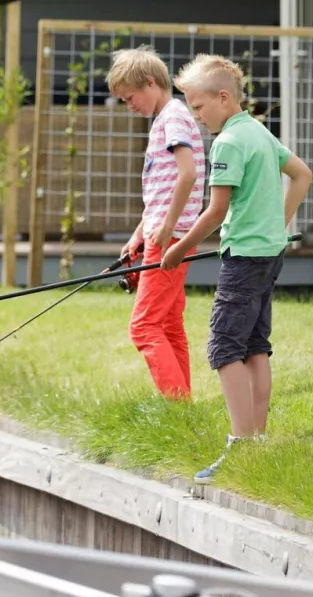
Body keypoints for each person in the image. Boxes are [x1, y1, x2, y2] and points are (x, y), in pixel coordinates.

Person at [158, 53, 313, 485]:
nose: (196, 115)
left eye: (198, 106)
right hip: (270, 253)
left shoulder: (227, 142)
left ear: (223, 98)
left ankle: (241, 444)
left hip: (243, 258)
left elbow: (215, 211)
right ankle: (257, 444)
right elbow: (302, 175)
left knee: (225, 347)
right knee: (255, 345)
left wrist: (179, 250)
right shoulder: (260, 133)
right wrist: (277, 226)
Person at [108, 46, 204, 400]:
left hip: (171, 237)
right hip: (164, 233)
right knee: (168, 324)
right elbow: (159, 193)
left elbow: (188, 175)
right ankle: (183, 406)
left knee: (144, 326)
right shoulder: (165, 119)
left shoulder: (174, 119)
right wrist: (139, 235)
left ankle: (176, 404)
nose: (129, 105)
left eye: (130, 97)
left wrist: (166, 230)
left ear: (151, 83)